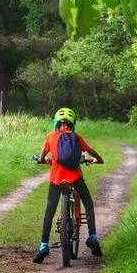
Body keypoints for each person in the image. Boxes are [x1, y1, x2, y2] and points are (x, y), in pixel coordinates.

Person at [34, 107, 103, 263]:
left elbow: (42, 155)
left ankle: (43, 245)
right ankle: (92, 238)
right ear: (72, 125)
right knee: (89, 204)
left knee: (49, 211)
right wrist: (99, 160)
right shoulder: (76, 137)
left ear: (56, 123)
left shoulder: (51, 136)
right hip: (75, 177)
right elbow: (90, 150)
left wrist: (41, 159)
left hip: (56, 179)